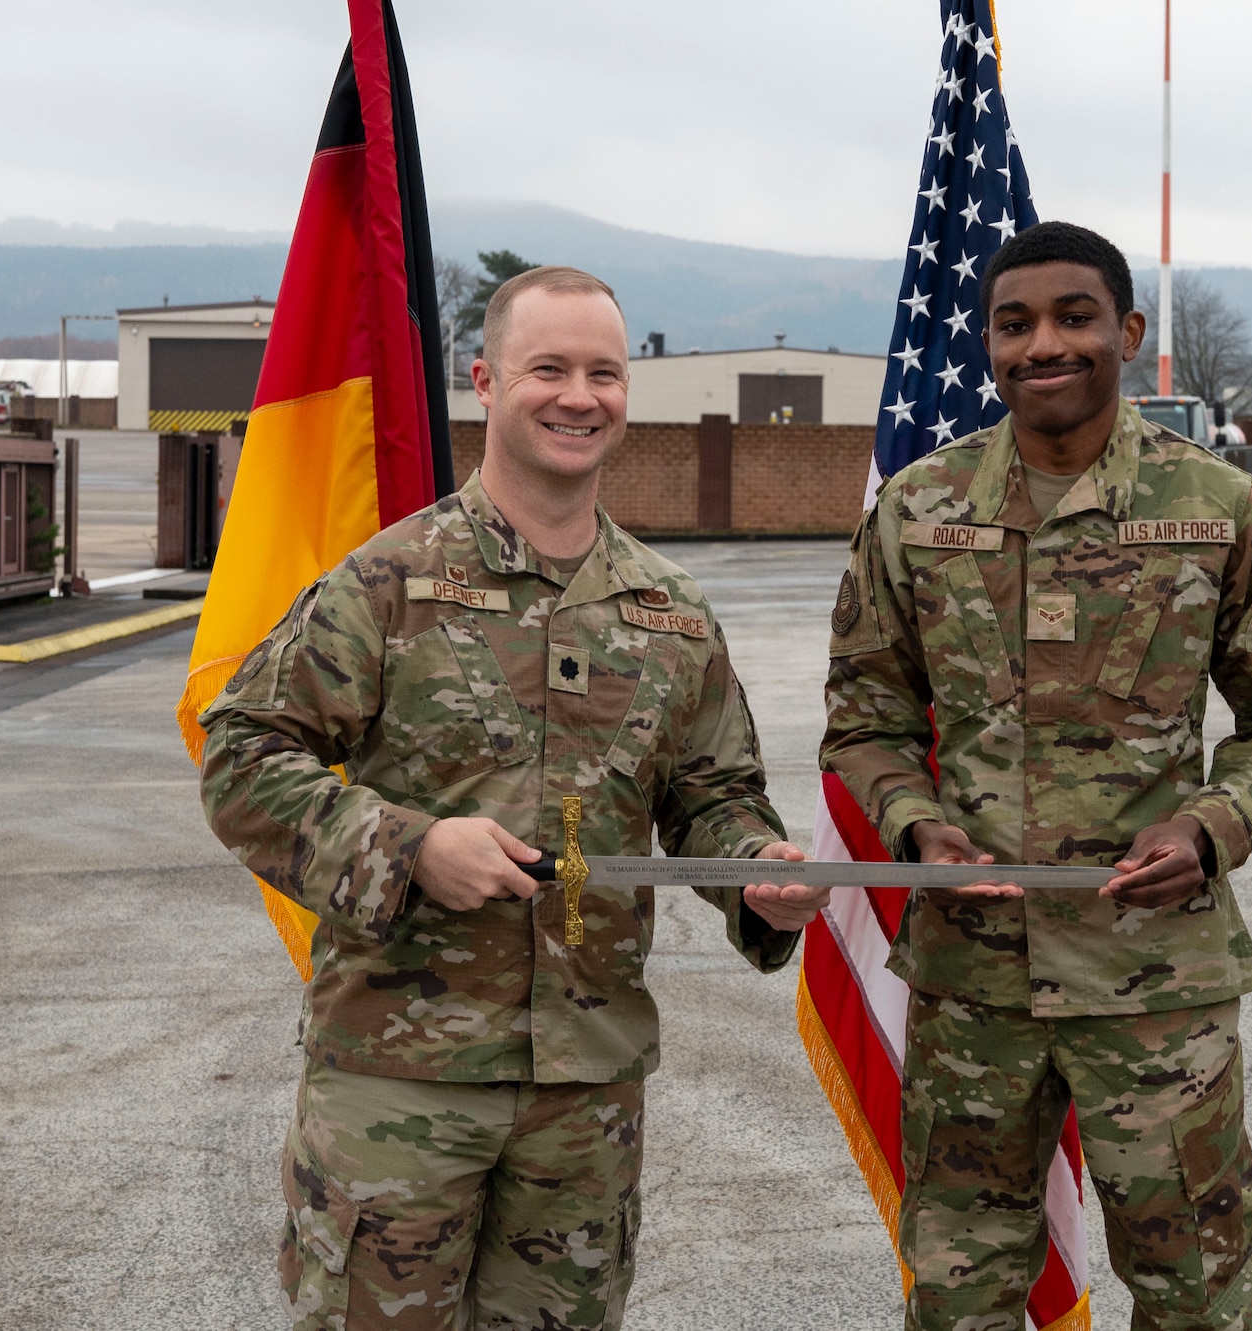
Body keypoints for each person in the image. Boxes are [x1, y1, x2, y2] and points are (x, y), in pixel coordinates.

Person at [199, 265, 830, 1331]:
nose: (577, 395)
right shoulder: (387, 584)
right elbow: (243, 754)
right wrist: (407, 846)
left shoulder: (667, 612)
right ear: (487, 381)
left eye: (603, 372)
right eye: (548, 367)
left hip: (584, 1095)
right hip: (401, 1081)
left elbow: (712, 793)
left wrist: (755, 873)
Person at [821, 221, 1252, 1331]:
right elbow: (861, 721)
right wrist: (914, 829)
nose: (1040, 343)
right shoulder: (917, 511)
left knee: (1194, 1288)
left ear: (1126, 332)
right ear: (988, 344)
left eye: (1071, 316)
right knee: (960, 1291)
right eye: (1013, 324)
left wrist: (1207, 827)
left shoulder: (1219, 509)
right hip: (972, 987)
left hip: (1154, 990)